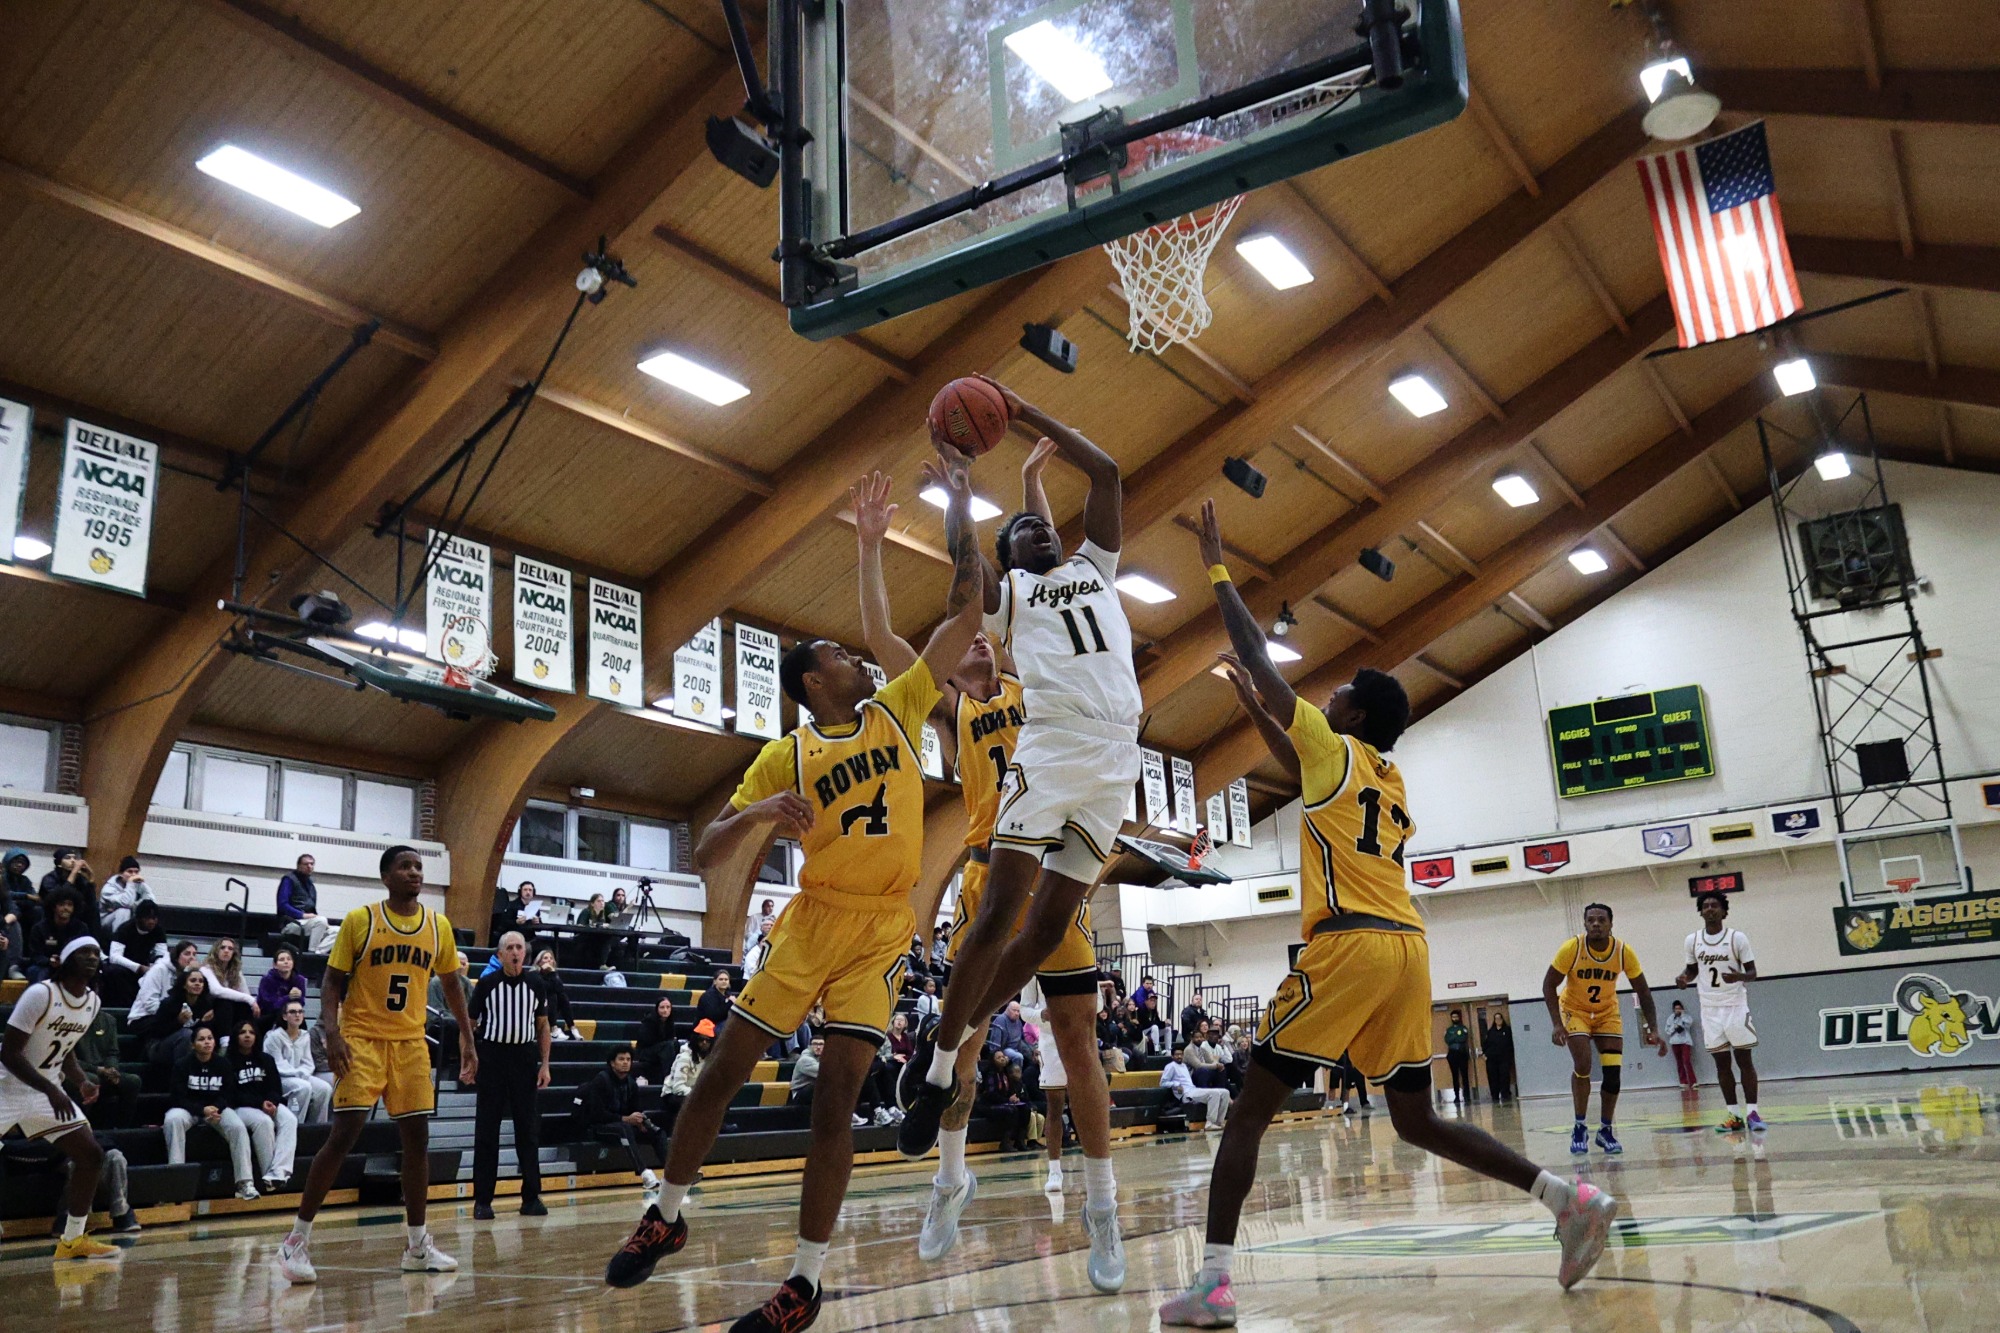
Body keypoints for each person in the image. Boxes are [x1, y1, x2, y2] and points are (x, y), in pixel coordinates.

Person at [1157, 501, 1617, 1326]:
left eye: (1336, 693)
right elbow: (1296, 754)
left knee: (1249, 1107)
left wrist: (1219, 569)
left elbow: (1266, 663)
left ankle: (1214, 1284)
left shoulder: (1334, 746)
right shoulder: (1384, 777)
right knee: (1414, 1116)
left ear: (1356, 714)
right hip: (1407, 946)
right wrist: (1250, 709)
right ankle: (1565, 1195)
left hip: (1349, 948)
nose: (1324, 694)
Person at [604, 457, 985, 1333]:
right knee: (721, 1070)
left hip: (883, 928)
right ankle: (668, 1210)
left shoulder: (898, 707)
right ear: (815, 684)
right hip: (811, 921)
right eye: (842, 657)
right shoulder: (787, 756)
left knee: (833, 1102)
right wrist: (754, 817)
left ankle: (804, 1285)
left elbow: (964, 605)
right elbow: (704, 853)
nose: (857, 657)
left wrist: (954, 501)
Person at [893, 401, 1135, 1296]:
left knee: (1064, 1001)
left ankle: (1100, 1209)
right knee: (999, 916)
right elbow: (966, 572)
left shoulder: (1096, 567)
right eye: (1021, 529)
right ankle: (944, 1077)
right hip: (1054, 752)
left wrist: (1029, 418)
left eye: (1041, 522)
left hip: (1115, 759)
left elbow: (1105, 475)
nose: (1036, 529)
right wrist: (961, 498)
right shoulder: (1008, 611)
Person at [273, 846, 478, 1284]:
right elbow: (331, 981)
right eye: (405, 866)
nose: (414, 873)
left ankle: (417, 1246)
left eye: (419, 867)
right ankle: (295, 1240)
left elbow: (452, 985)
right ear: (386, 876)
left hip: (410, 1043)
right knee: (343, 1135)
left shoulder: (438, 926)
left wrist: (466, 1035)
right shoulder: (361, 920)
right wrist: (332, 1033)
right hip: (362, 1039)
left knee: (417, 1141)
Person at [0, 937, 118, 1259]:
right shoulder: (41, 994)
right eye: (84, 952)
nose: (92, 957)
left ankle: (71, 1241)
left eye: (96, 953)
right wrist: (52, 1089)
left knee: (91, 1155)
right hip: (7, 1086)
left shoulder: (92, 1002)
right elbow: (9, 1053)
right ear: (66, 960)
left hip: (45, 1091)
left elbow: (64, 1051)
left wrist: (81, 1082)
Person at [1543, 903, 1666, 1156]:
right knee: (1584, 1064)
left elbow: (1642, 991)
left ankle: (1605, 1130)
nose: (1596, 924)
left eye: (1601, 920)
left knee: (1612, 1076)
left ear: (1611, 924)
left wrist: (1653, 1028)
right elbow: (1549, 985)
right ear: (1585, 924)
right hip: (1574, 1010)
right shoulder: (1572, 948)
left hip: (1607, 1013)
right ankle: (1579, 1126)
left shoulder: (1623, 952)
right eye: (1591, 920)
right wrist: (1557, 1023)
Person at [468, 930, 552, 1219]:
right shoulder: (487, 984)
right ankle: (483, 1201)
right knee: (487, 1131)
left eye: (520, 947)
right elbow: (468, 1025)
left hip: (524, 1059)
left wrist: (545, 1064)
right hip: (492, 1058)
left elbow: (543, 1026)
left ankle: (531, 1198)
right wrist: (470, 1059)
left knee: (527, 1131)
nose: (516, 952)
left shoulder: (536, 983)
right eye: (510, 948)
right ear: (500, 954)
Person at [1677, 891, 1764, 1131]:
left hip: (1735, 1006)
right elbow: (1692, 970)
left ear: (1724, 911)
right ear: (1700, 911)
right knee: (1722, 1064)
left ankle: (1753, 1113)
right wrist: (1684, 978)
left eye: (1715, 905)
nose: (1710, 909)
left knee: (1744, 1061)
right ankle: (1733, 1116)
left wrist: (1738, 976)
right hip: (1710, 1009)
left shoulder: (1737, 938)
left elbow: (1753, 973)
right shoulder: (1692, 940)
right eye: (1706, 906)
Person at [166, 1023, 258, 1199]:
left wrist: (217, 1108)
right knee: (172, 1119)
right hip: (190, 1109)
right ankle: (176, 1180)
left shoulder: (223, 1064)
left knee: (238, 1127)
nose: (207, 1042)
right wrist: (202, 1110)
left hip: (216, 1110)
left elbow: (229, 1094)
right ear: (193, 1045)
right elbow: (178, 1098)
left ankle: (245, 1183)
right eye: (201, 1039)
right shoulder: (182, 1065)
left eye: (210, 1038)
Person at [228, 1019, 300, 1194]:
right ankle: (270, 1176)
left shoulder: (266, 1059)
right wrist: (260, 1104)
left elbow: (276, 1087)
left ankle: (279, 1171)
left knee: (290, 1119)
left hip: (268, 1102)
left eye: (251, 1032)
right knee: (263, 1122)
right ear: (236, 1036)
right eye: (243, 1032)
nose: (247, 1036)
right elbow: (232, 1095)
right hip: (243, 1107)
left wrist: (272, 1101)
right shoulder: (227, 1062)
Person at [579, 1049, 666, 1185]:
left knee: (657, 1132)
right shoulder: (601, 1080)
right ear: (612, 1063)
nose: (625, 1062)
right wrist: (625, 1119)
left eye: (628, 1059)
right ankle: (644, 1173)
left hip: (623, 1125)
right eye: (621, 1059)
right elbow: (597, 1114)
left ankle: (672, 1174)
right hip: (599, 1127)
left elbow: (635, 1108)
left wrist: (639, 1121)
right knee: (624, 1128)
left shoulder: (631, 1083)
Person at [73, 1001, 140, 1130]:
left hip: (103, 1070)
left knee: (133, 1081)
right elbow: (67, 1059)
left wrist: (112, 1069)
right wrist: (98, 1070)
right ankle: (82, 1129)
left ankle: (121, 1129)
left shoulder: (108, 1020)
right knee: (92, 1079)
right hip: (80, 1071)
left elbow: (112, 1052)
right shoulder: (69, 1020)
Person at [266, 1000, 333, 1123]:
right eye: (293, 1012)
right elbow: (277, 1065)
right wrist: (299, 1073)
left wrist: (302, 1073)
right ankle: (296, 1125)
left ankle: (316, 1127)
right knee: (303, 1087)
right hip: (280, 1078)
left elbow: (308, 1062)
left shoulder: (304, 1035)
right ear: (284, 1016)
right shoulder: (274, 1037)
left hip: (301, 1075)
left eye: (300, 1012)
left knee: (325, 1088)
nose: (297, 1015)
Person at [144, 965, 219, 1069]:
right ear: (184, 985)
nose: (197, 983)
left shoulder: (206, 1004)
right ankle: (182, 1074)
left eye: (201, 981)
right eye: (193, 980)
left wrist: (204, 1022)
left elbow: (198, 1032)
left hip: (187, 1045)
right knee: (186, 1034)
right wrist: (178, 1022)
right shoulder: (170, 1003)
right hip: (158, 1046)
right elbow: (156, 1032)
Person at [104, 899, 168, 1006]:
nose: (152, 922)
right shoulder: (125, 929)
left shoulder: (158, 931)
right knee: (115, 973)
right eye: (148, 918)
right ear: (139, 918)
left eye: (154, 918)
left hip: (145, 968)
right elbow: (114, 957)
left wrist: (156, 967)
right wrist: (138, 967)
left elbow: (161, 954)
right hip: (125, 968)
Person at [660, 1017, 714, 1133]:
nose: (704, 1043)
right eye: (701, 1039)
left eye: (708, 1040)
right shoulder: (685, 1058)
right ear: (695, 1040)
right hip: (673, 1095)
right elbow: (678, 1087)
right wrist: (699, 1095)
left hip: (693, 1093)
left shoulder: (708, 1059)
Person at [131, 939, 198, 1032]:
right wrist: (173, 1014)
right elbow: (149, 1003)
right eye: (187, 954)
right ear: (176, 956)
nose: (192, 958)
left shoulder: (186, 974)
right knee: (184, 1033)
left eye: (194, 954)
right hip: (144, 1017)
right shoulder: (158, 969)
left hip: (171, 1017)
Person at [1161, 1043, 1231, 1131]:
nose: (1179, 1056)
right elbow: (1163, 1082)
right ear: (1172, 1056)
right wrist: (1176, 1084)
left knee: (1225, 1092)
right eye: (1176, 1055)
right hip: (1186, 1094)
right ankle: (1210, 1123)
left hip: (1193, 1089)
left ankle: (1219, 1122)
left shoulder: (1183, 1066)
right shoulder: (1170, 1066)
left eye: (1181, 1054)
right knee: (1214, 1094)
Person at [25, 889, 88, 982]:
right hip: (45, 966)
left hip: (71, 966)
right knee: (35, 971)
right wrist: (49, 961)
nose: (66, 908)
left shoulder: (81, 928)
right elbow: (35, 955)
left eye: (70, 905)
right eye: (62, 904)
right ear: (54, 907)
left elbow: (84, 952)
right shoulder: (39, 928)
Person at [275, 854, 332, 953]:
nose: (309, 866)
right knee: (321, 921)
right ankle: (311, 951)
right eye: (306, 864)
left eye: (312, 864)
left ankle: (317, 953)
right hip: (292, 922)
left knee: (338, 930)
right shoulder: (289, 879)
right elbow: (282, 905)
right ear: (298, 866)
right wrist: (303, 915)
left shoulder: (310, 885)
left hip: (308, 923)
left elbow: (312, 910)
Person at [200, 937, 258, 1032]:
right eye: (222, 948)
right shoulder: (206, 969)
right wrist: (250, 1000)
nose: (226, 951)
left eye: (230, 949)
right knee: (224, 1002)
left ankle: (246, 1038)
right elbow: (217, 991)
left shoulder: (236, 972)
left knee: (245, 1006)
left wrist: (250, 1002)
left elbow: (245, 993)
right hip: (210, 1010)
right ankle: (225, 1042)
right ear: (216, 950)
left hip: (231, 1011)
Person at [979, 1049, 1032, 1151]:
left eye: (1003, 1056)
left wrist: (1013, 1098)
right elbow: (991, 1095)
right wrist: (1007, 1100)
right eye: (998, 1057)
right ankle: (1005, 1142)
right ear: (993, 1060)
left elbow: (1010, 1065)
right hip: (988, 1104)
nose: (1002, 1059)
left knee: (1025, 1108)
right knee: (1011, 1111)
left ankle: (1019, 1141)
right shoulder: (990, 1074)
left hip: (1004, 1102)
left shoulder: (1005, 1073)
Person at [41, 849, 98, 934]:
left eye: (75, 858)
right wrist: (74, 873)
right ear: (59, 863)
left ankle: (94, 942)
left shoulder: (80, 878)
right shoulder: (49, 878)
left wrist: (91, 876)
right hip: (54, 911)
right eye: (68, 858)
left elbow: (90, 899)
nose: (73, 861)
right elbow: (59, 897)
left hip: (74, 910)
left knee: (94, 908)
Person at [0, 848, 35, 980]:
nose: (19, 865)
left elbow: (13, 908)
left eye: (22, 862)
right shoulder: (5, 879)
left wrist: (5, 922)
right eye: (16, 861)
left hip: (5, 920)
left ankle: (14, 966)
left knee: (16, 923)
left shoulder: (24, 880)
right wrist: (25, 896)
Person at [99, 856, 153, 934]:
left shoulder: (138, 884)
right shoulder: (109, 888)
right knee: (123, 911)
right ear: (121, 874)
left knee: (149, 913)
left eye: (136, 872)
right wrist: (130, 883)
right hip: (107, 922)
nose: (133, 875)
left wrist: (136, 905)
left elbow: (150, 899)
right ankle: (119, 940)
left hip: (130, 918)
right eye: (130, 872)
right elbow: (126, 903)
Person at [635, 996, 682, 1085]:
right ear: (657, 1009)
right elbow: (646, 1041)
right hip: (646, 1052)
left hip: (661, 1050)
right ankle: (668, 1076)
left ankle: (676, 1074)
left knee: (675, 1044)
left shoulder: (670, 1022)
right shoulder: (649, 1021)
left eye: (668, 1007)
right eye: (662, 1007)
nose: (665, 1010)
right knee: (668, 1046)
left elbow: (671, 1038)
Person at [535, 949, 580, 1039]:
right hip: (536, 1010)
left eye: (551, 958)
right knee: (552, 995)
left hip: (549, 1009)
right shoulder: (535, 974)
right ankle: (553, 1029)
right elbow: (544, 988)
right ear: (539, 962)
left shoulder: (554, 976)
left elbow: (560, 989)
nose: (549, 960)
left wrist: (552, 972)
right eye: (545, 958)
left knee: (562, 996)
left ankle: (572, 1027)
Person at [257, 946, 308, 1025]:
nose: (286, 962)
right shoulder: (267, 979)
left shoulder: (299, 979)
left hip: (290, 1013)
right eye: (282, 960)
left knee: (301, 1021)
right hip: (268, 1015)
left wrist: (298, 996)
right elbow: (269, 1006)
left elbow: (301, 1002)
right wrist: (289, 997)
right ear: (275, 965)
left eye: (289, 959)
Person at [986, 999, 1031, 1071]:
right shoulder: (1000, 1020)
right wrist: (998, 1052)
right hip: (1005, 1048)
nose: (1016, 1013)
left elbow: (1023, 1038)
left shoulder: (1018, 1021)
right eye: (1014, 1010)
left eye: (1018, 1011)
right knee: (1018, 1057)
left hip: (1018, 1046)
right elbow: (995, 1044)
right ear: (1007, 1009)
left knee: (1032, 1054)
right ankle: (1016, 1079)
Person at [575, 892, 615, 969]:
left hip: (596, 939)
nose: (602, 903)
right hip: (583, 939)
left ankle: (603, 964)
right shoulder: (586, 912)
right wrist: (597, 925)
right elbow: (579, 926)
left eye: (603, 901)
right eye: (599, 901)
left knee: (610, 939)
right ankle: (602, 965)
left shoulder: (602, 915)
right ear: (592, 904)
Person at [1664, 1001, 1697, 1090]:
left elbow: (1689, 1023)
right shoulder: (1671, 1018)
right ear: (1673, 1010)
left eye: (1679, 1008)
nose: (1677, 1010)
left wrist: (1682, 1016)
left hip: (1685, 1041)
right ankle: (1683, 1081)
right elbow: (1667, 1031)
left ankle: (1693, 1081)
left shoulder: (1686, 1016)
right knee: (1679, 1062)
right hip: (1675, 1042)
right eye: (1676, 1009)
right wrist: (1674, 1027)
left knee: (1686, 1060)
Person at [1484, 1014, 1516, 1104]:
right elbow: (1485, 1044)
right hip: (1492, 1059)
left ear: (1502, 1019)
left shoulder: (1507, 1030)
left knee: (1504, 1076)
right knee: (1493, 1077)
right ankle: (1494, 1095)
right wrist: (1485, 1054)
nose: (1498, 1020)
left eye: (1499, 1018)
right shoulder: (1491, 1032)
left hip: (1504, 1059)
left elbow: (1510, 1044)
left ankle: (1505, 1094)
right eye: (1496, 1018)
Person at [1443, 1009, 1473, 1106]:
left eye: (1456, 1017)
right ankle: (1456, 1096)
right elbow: (1447, 1040)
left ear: (1459, 1018)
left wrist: (1454, 1037)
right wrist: (1455, 1037)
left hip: (1462, 1054)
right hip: (1452, 1054)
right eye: (1453, 1017)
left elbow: (1462, 1038)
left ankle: (1467, 1096)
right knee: (1454, 1076)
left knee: (1464, 1076)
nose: (1455, 1018)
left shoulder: (1463, 1028)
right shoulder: (1449, 1029)